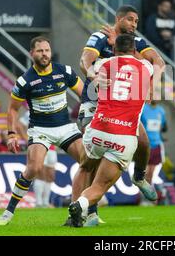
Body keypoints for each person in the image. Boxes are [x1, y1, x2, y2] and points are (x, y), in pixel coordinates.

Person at [77, 5, 165, 222]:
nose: (134, 25)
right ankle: (85, 212)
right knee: (89, 165)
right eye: (130, 20)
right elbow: (85, 60)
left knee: (144, 142)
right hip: (94, 104)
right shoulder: (99, 36)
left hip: (121, 109)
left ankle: (139, 178)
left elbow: (159, 62)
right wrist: (92, 75)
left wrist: (154, 86)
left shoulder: (135, 41)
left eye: (136, 21)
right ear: (118, 19)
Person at [0, 36, 84, 226]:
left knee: (88, 162)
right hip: (41, 129)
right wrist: (11, 134)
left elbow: (84, 94)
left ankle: (82, 211)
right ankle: (8, 212)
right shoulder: (25, 81)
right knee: (34, 168)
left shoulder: (64, 71)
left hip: (65, 127)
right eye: (40, 51)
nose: (44, 54)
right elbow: (12, 109)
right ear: (31, 53)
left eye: (47, 50)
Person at [68, 34, 154, 227]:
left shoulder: (103, 64)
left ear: (114, 50)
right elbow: (148, 61)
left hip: (97, 129)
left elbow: (88, 64)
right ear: (134, 50)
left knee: (85, 167)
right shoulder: (146, 68)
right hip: (123, 136)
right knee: (100, 186)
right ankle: (82, 206)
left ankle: (79, 210)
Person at [140, 100, 167, 187]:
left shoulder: (161, 111)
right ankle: (141, 194)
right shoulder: (143, 109)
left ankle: (148, 193)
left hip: (157, 144)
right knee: (144, 172)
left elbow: (163, 126)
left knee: (151, 173)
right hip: (145, 145)